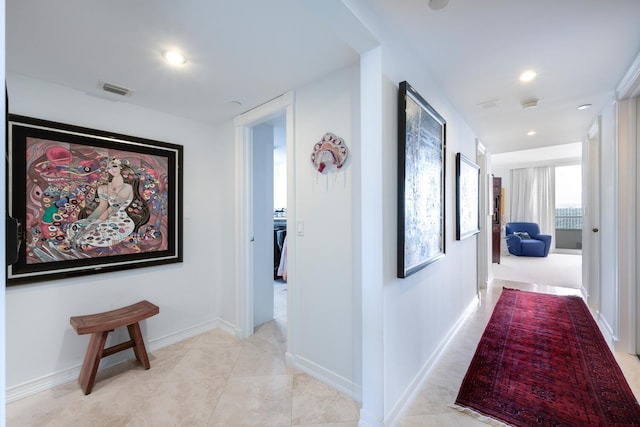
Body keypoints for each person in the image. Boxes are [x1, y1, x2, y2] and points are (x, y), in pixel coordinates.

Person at [68, 159, 149, 248]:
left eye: (114, 166)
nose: (112, 169)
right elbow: (101, 207)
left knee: (96, 235)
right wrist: (88, 222)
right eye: (109, 168)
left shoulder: (127, 188)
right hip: (104, 217)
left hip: (120, 221)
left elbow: (113, 210)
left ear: (120, 167)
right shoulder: (103, 188)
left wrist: (93, 226)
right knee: (79, 228)